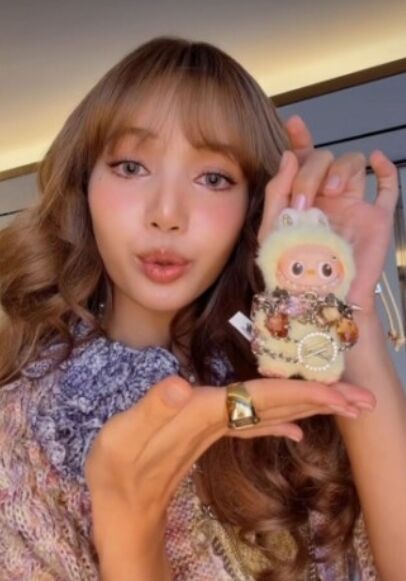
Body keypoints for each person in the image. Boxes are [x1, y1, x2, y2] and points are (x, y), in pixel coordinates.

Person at [0, 36, 404, 581]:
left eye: (213, 178)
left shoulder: (290, 379)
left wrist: (346, 311)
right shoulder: (23, 429)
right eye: (130, 166)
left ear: (253, 204)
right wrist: (129, 528)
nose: (168, 213)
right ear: (83, 185)